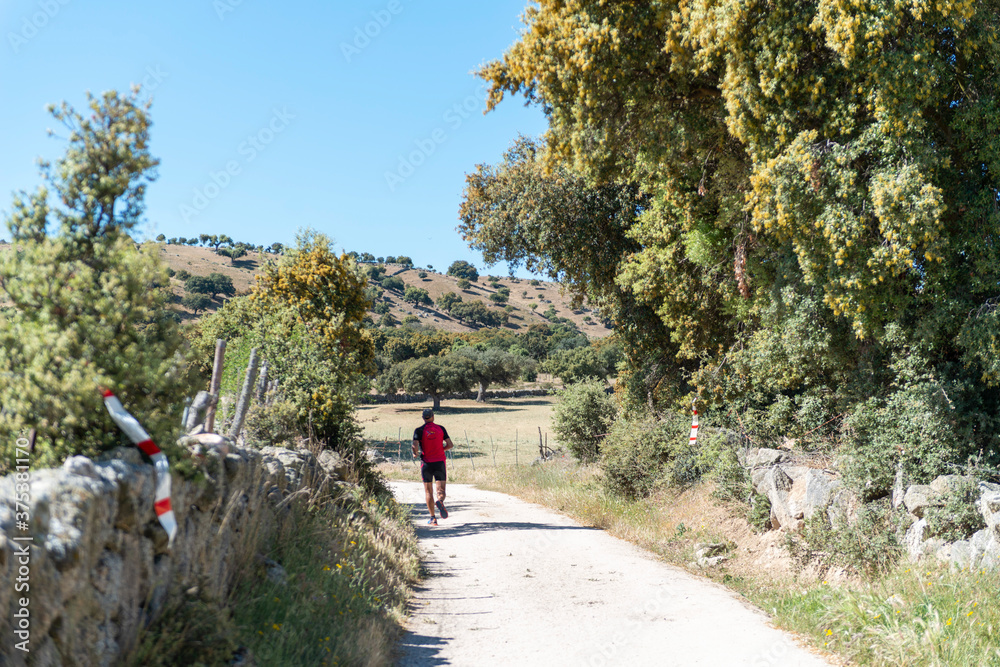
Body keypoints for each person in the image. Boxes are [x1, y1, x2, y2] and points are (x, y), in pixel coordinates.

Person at [412, 408, 454, 526]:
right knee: (441, 490)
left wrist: (415, 453)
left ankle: (433, 518)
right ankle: (439, 501)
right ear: (433, 416)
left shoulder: (419, 430)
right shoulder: (441, 428)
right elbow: (450, 445)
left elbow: (415, 446)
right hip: (440, 462)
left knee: (428, 491)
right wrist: (441, 449)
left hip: (426, 463)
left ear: (423, 418)